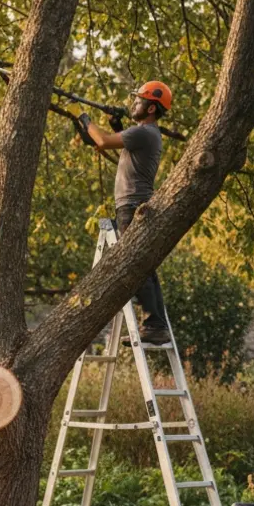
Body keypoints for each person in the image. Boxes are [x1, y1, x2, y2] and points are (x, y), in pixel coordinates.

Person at [77, 80, 173, 345]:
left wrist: (85, 119)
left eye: (139, 101)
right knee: (144, 268)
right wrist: (116, 124)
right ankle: (155, 324)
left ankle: (154, 325)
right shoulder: (144, 133)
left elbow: (103, 142)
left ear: (152, 108)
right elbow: (119, 143)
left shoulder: (145, 133)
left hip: (132, 207)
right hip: (132, 205)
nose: (134, 104)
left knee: (135, 267)